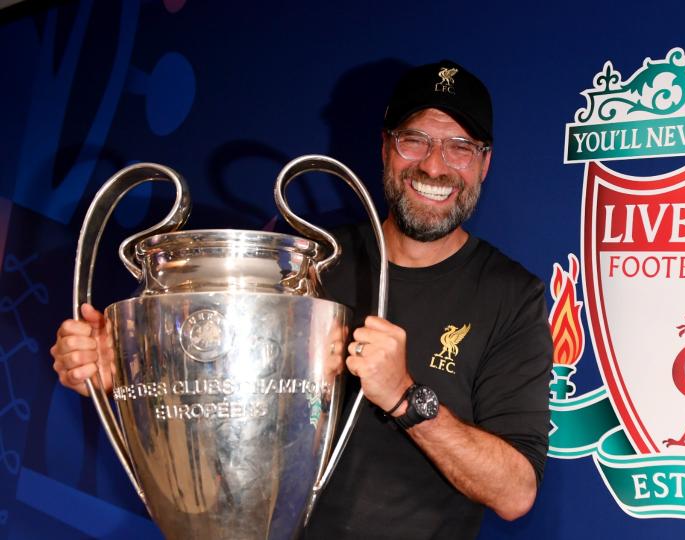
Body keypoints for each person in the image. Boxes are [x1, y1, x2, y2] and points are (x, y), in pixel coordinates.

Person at [49, 60, 553, 539]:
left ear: (484, 163)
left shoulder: (513, 297)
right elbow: (224, 407)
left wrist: (403, 396)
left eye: (459, 146)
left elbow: (515, 492)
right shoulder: (303, 267)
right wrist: (134, 372)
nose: (435, 165)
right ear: (385, 148)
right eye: (414, 140)